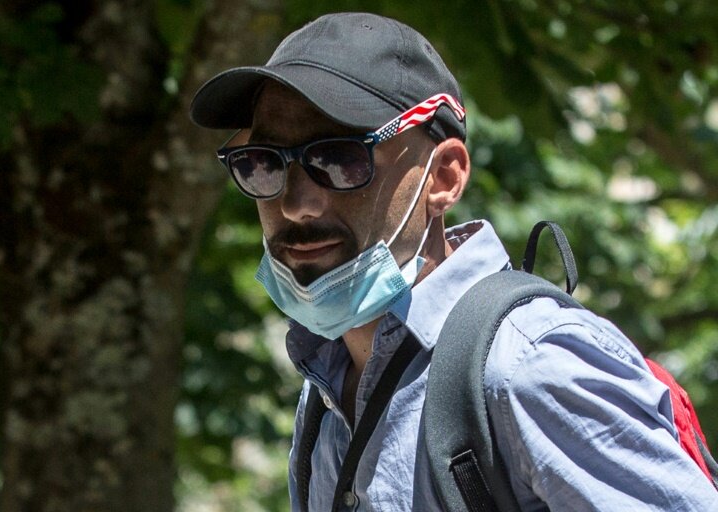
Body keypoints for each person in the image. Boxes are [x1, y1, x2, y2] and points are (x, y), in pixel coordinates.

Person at [190, 12, 718, 511]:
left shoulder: (528, 366)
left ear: (443, 178)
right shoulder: (324, 386)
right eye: (261, 165)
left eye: (337, 159)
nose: (294, 203)